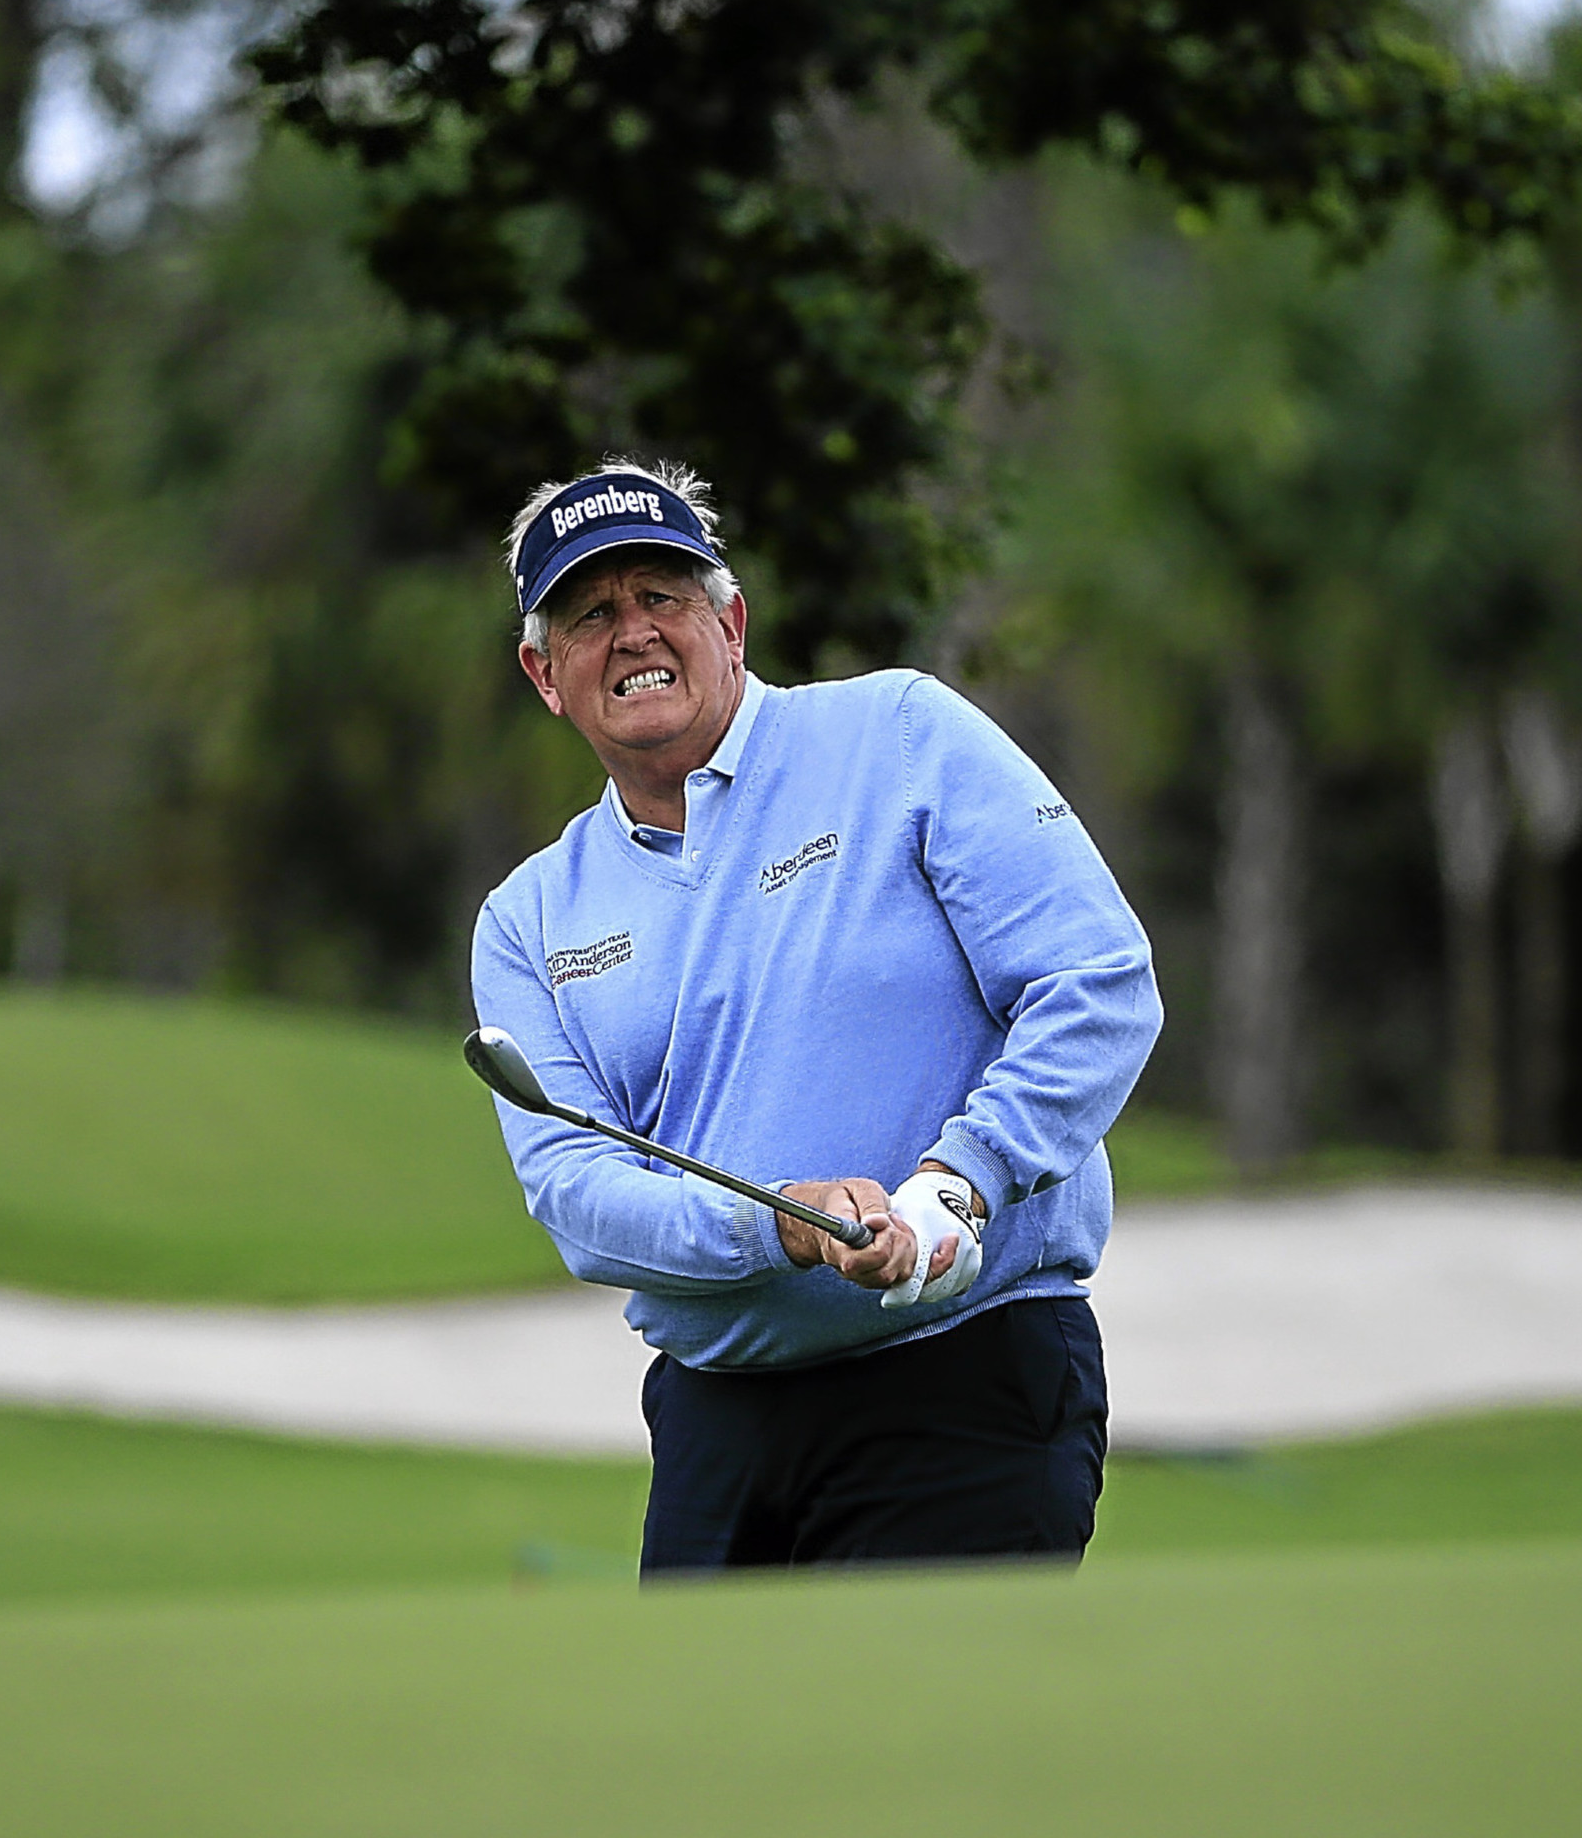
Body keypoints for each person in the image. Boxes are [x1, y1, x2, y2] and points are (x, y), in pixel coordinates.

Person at [470, 461, 1162, 1571]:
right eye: (590, 614)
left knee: (927, 1742)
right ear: (544, 673)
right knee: (719, 1748)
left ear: (730, 623)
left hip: (962, 1375)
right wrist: (773, 1225)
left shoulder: (897, 736)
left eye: (663, 596)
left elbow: (1096, 982)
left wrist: (958, 1186)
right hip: (717, 1427)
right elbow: (576, 1197)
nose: (633, 633)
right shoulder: (528, 919)